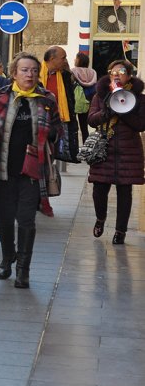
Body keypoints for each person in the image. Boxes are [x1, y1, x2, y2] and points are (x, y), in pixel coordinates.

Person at [0, 53, 63, 288]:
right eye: (24, 70)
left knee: (26, 220)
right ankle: (6, 257)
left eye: (33, 70)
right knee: (4, 218)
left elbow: (57, 129)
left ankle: (23, 268)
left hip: (32, 172)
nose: (30, 74)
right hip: (0, 170)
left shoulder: (46, 99)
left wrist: (52, 134)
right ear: (13, 73)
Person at [88, 60, 145, 245]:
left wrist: (123, 108)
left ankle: (120, 231)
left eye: (121, 71)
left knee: (124, 192)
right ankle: (100, 218)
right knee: (99, 189)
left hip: (129, 151)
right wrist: (108, 110)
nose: (117, 75)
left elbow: (141, 124)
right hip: (104, 148)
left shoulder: (139, 98)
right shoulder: (100, 95)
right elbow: (91, 120)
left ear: (129, 75)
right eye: (113, 72)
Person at [39, 46, 79, 217]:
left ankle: (42, 198)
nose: (65, 60)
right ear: (51, 59)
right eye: (62, 57)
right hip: (38, 125)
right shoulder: (36, 73)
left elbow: (69, 101)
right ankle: (42, 201)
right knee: (40, 163)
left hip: (56, 124)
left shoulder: (65, 75)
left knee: (49, 161)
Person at [72, 53, 98, 144]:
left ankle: (75, 147)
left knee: (73, 127)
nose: (74, 60)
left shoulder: (73, 71)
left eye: (76, 58)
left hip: (76, 101)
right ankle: (85, 147)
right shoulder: (93, 72)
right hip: (88, 100)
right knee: (84, 127)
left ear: (79, 60)